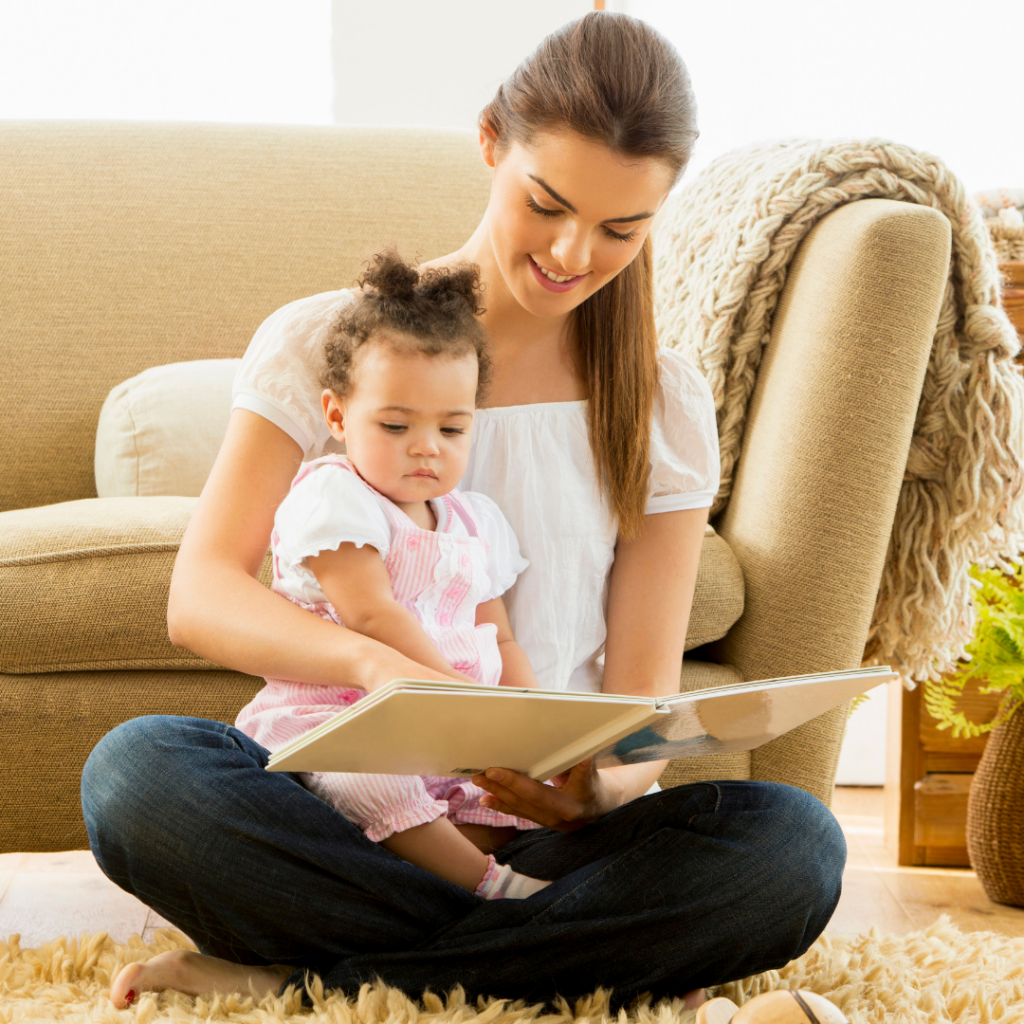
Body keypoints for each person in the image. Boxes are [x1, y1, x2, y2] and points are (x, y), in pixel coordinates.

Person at [81, 11, 846, 1016]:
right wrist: (375, 665)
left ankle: (309, 981)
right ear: (491, 143)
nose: (575, 252)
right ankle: (569, 971)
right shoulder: (330, 343)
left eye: (622, 228)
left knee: (794, 847)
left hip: (546, 833)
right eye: (548, 204)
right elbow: (202, 594)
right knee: (138, 776)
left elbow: (641, 702)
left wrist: (593, 787)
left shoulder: (661, 400)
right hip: (344, 810)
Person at [235, 249, 552, 900]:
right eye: (396, 424)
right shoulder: (337, 497)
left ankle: (427, 890)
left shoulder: (475, 519)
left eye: (452, 427)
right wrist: (453, 701)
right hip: (348, 722)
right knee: (368, 782)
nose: (426, 446)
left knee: (529, 792)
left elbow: (501, 637)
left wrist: (531, 726)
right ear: (336, 416)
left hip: (453, 734)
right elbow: (371, 615)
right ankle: (497, 895)